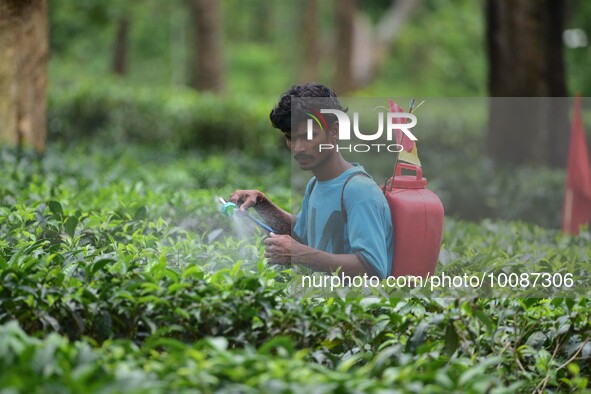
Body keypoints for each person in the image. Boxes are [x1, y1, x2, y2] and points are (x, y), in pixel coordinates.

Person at [230, 83, 393, 279]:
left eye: (307, 136)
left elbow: (374, 269)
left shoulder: (359, 191)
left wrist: (299, 254)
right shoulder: (316, 184)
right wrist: (263, 204)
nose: (297, 148)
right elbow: (305, 235)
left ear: (334, 131)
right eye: (290, 138)